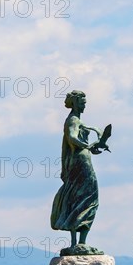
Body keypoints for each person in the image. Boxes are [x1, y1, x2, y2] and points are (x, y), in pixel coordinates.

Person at [51, 90, 103, 248]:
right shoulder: (73, 120)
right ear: (75, 103)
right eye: (82, 102)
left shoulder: (76, 120)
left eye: (85, 102)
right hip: (80, 161)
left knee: (80, 197)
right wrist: (87, 145)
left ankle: (79, 242)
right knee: (88, 197)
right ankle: (78, 242)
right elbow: (72, 137)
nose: (84, 105)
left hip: (80, 160)